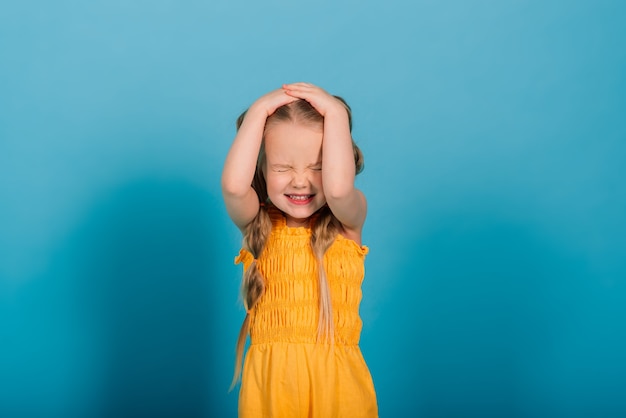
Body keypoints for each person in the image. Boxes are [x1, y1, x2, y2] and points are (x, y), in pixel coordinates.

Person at [221, 82, 378, 417]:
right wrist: (259, 112)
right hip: (272, 391)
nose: (301, 181)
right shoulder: (259, 222)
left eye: (317, 167)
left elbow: (337, 191)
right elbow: (235, 187)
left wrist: (335, 112)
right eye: (282, 168)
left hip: (338, 392)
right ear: (262, 169)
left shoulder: (347, 220)